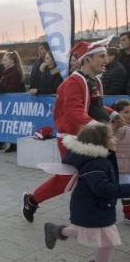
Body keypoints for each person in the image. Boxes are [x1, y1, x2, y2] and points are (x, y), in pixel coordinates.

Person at [22, 39, 113, 222]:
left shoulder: (95, 81)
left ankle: (88, 214)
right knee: (69, 180)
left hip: (91, 138)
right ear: (87, 59)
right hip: (71, 140)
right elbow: (74, 111)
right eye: (101, 56)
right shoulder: (73, 82)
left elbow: (97, 108)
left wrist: (114, 115)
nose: (106, 60)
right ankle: (32, 200)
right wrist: (99, 128)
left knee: (95, 176)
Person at [43, 124, 129, 262]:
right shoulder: (95, 163)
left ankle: (55, 230)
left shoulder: (100, 158)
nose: (114, 138)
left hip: (94, 207)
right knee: (107, 241)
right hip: (92, 208)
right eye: (110, 137)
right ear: (100, 143)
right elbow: (103, 189)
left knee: (93, 235)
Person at [0, 51, 25, 153]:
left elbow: (11, 88)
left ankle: (13, 144)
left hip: (13, 102)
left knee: (13, 123)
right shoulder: (7, 71)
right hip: (9, 102)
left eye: (5, 60)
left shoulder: (15, 72)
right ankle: (6, 143)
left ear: (12, 61)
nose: (3, 62)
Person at [111, 99, 130, 224]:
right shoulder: (120, 129)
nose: (129, 115)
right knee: (125, 190)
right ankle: (128, 215)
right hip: (121, 166)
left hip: (126, 165)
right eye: (126, 112)